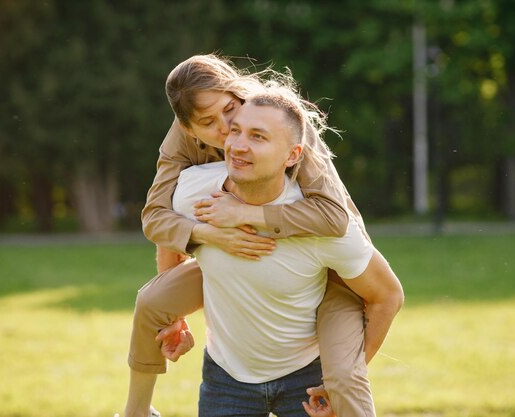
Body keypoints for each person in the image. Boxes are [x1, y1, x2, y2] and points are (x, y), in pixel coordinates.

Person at [123, 55, 398, 417]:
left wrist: (246, 214)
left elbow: (333, 217)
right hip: (232, 299)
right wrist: (210, 235)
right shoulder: (185, 154)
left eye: (230, 110)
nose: (227, 127)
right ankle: (136, 412)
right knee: (152, 301)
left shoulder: (281, 121)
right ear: (189, 129)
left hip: (330, 265)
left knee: (345, 377)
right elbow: (158, 218)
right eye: (209, 123)